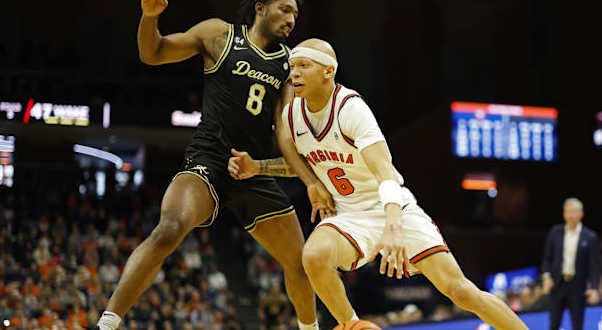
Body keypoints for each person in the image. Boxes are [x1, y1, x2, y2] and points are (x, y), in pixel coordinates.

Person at [227, 38, 530, 329]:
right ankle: (354, 326)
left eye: (304, 65)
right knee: (314, 256)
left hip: (393, 207)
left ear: (328, 71)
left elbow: (385, 171)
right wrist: (258, 167)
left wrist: (393, 227)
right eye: (292, 66)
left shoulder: (351, 108)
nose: (294, 72)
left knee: (461, 291)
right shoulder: (292, 115)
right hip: (349, 215)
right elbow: (307, 166)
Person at [96, 0, 336, 330]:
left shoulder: (288, 64)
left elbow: (283, 132)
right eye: (285, 10)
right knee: (168, 229)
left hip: (252, 170)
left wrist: (309, 180)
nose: (291, 21)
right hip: (209, 159)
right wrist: (149, 18)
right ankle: (107, 323)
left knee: (300, 262)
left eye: (296, 15)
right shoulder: (219, 35)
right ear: (261, 7)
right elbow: (153, 53)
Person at [541, 198, 600, 330]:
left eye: (575, 211)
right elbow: (547, 258)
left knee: (577, 326)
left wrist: (595, 288)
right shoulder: (555, 232)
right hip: (558, 285)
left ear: (581, 214)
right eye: (569, 212)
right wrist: (546, 276)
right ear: (564, 214)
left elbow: (594, 265)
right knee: (554, 325)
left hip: (578, 287)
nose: (572, 215)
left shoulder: (590, 237)